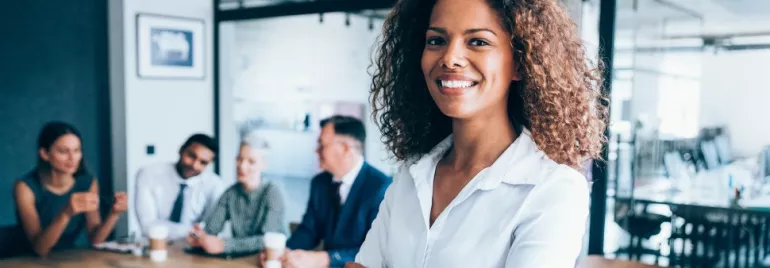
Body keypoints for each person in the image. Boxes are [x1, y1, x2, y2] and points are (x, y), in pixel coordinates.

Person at [352, 0, 607, 267]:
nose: (450, 58)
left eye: (478, 42)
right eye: (437, 41)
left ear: (520, 63)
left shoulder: (553, 188)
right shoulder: (413, 172)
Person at [266, 116, 391, 268]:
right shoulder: (319, 183)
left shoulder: (382, 188)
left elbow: (378, 252)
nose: (316, 150)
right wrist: (285, 252)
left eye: (322, 144)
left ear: (345, 148)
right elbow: (309, 230)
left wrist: (325, 259)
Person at [14, 122, 128, 256]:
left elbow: (95, 240)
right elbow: (40, 249)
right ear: (45, 154)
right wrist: (66, 213)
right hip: (24, 261)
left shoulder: (87, 182)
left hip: (67, 258)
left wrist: (114, 214)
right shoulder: (25, 187)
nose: (72, 158)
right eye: (63, 151)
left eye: (77, 150)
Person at [188, 138, 288, 254]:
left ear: (264, 165)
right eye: (239, 159)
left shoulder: (273, 193)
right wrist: (200, 237)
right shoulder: (230, 194)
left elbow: (267, 240)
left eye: (251, 161)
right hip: (241, 261)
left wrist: (224, 245)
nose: (242, 166)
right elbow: (211, 230)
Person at [135, 134, 225, 240]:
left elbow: (213, 228)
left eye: (203, 162)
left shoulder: (214, 184)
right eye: (191, 156)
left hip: (195, 248)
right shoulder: (149, 174)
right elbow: (147, 225)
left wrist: (199, 233)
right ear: (181, 150)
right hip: (155, 245)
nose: (194, 165)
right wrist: (191, 231)